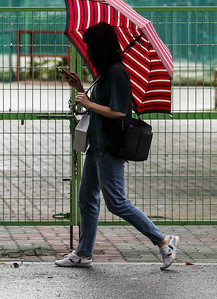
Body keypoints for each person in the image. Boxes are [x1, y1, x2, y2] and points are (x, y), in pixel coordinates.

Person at [57, 22, 179, 270]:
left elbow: (119, 111)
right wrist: (80, 88)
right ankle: (83, 253)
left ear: (100, 47)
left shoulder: (116, 72)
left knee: (116, 202)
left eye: (91, 46)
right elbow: (100, 103)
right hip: (97, 144)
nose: (88, 51)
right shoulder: (106, 71)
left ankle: (164, 241)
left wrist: (89, 105)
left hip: (110, 148)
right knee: (87, 199)